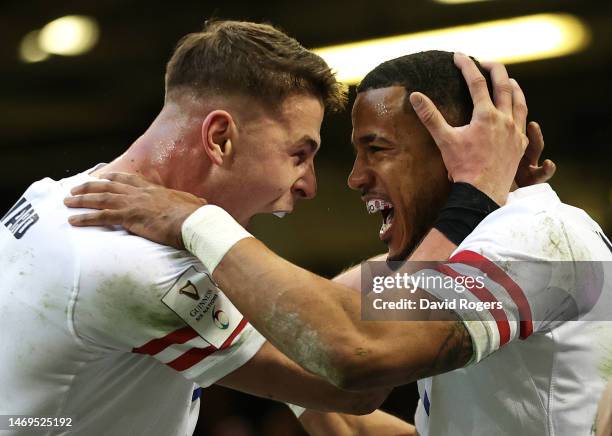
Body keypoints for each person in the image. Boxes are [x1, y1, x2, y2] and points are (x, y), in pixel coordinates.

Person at [67, 50, 612, 436]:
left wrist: (197, 222)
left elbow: (360, 350)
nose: (353, 178)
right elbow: (312, 331)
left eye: (376, 148)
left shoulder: (544, 239)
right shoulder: (477, 254)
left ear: (457, 151)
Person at [0, 20, 403, 435]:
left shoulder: (52, 196)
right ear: (220, 137)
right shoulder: (135, 265)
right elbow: (350, 379)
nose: (309, 185)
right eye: (299, 153)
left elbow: (299, 325)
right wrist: (452, 264)